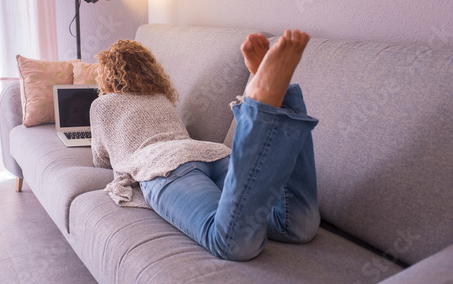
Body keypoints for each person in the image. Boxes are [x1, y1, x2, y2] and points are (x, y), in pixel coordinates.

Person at [90, 29, 320, 261]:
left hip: (164, 165)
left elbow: (100, 160)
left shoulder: (103, 104)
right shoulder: (160, 98)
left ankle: (256, 111)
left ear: (106, 78)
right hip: (211, 153)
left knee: (233, 243)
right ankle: (283, 101)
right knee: (294, 224)